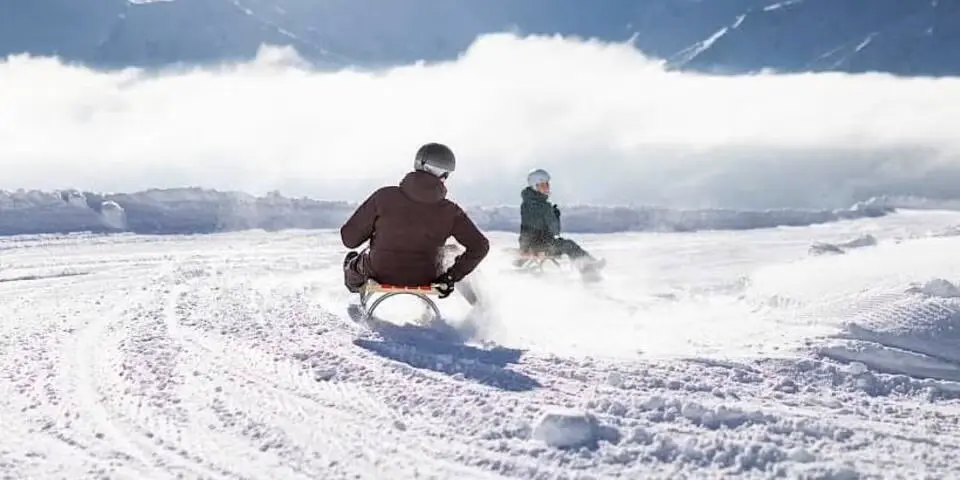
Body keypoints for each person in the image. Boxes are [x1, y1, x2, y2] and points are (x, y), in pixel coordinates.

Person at [340, 142, 490, 300]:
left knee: (356, 260)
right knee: (450, 252)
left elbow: (349, 239)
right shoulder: (451, 211)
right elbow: (480, 246)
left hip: (380, 272)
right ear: (444, 176)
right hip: (426, 277)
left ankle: (353, 282)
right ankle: (480, 303)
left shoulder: (384, 196)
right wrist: (450, 277)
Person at [518, 168, 604, 272]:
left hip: (527, 245)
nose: (547, 188)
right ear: (535, 186)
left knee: (563, 243)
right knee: (569, 245)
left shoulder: (526, 203)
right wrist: (555, 216)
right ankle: (589, 266)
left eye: (547, 184)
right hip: (542, 245)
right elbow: (555, 231)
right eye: (543, 185)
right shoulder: (544, 206)